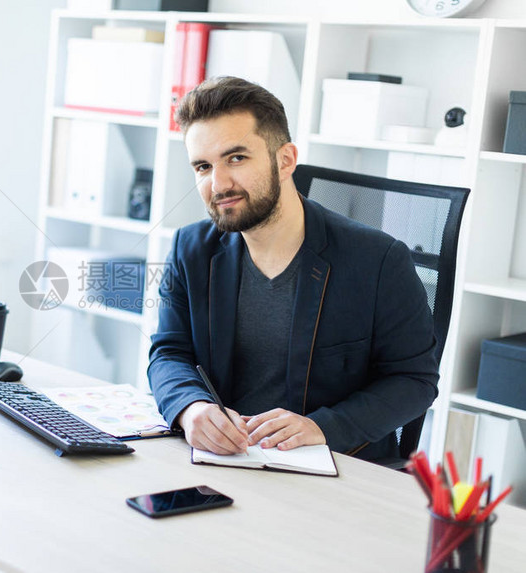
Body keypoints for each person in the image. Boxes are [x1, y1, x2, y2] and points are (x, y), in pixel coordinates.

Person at [148, 76, 439, 461]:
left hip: (335, 465)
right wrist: (191, 409)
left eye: (236, 158)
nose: (218, 184)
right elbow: (169, 352)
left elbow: (413, 381)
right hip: (223, 459)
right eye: (203, 166)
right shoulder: (191, 248)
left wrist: (323, 426)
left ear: (285, 160)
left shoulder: (379, 260)